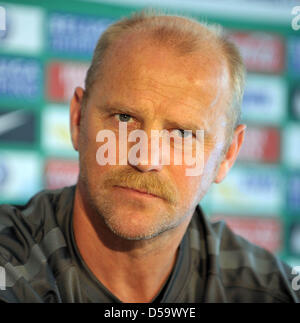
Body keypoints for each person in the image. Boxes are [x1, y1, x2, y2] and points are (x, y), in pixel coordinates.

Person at [0, 11, 299, 303]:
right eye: (124, 117)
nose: (145, 159)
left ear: (227, 155)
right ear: (78, 119)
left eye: (182, 134)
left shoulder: (271, 291)